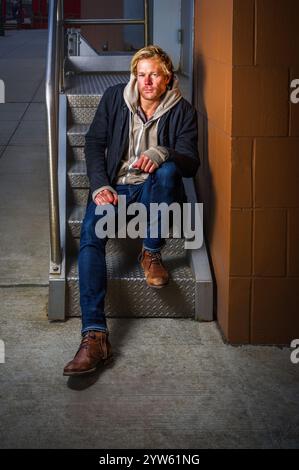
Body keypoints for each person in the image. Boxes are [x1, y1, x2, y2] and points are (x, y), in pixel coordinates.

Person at [63, 45, 199, 377]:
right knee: (91, 239)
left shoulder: (182, 110)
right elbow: (94, 143)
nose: (146, 82)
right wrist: (99, 185)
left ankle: (151, 252)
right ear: (133, 76)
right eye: (141, 75)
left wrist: (163, 152)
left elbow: (191, 164)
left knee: (167, 172)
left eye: (154, 74)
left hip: (154, 189)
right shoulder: (114, 98)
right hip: (115, 188)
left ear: (167, 78)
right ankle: (94, 336)